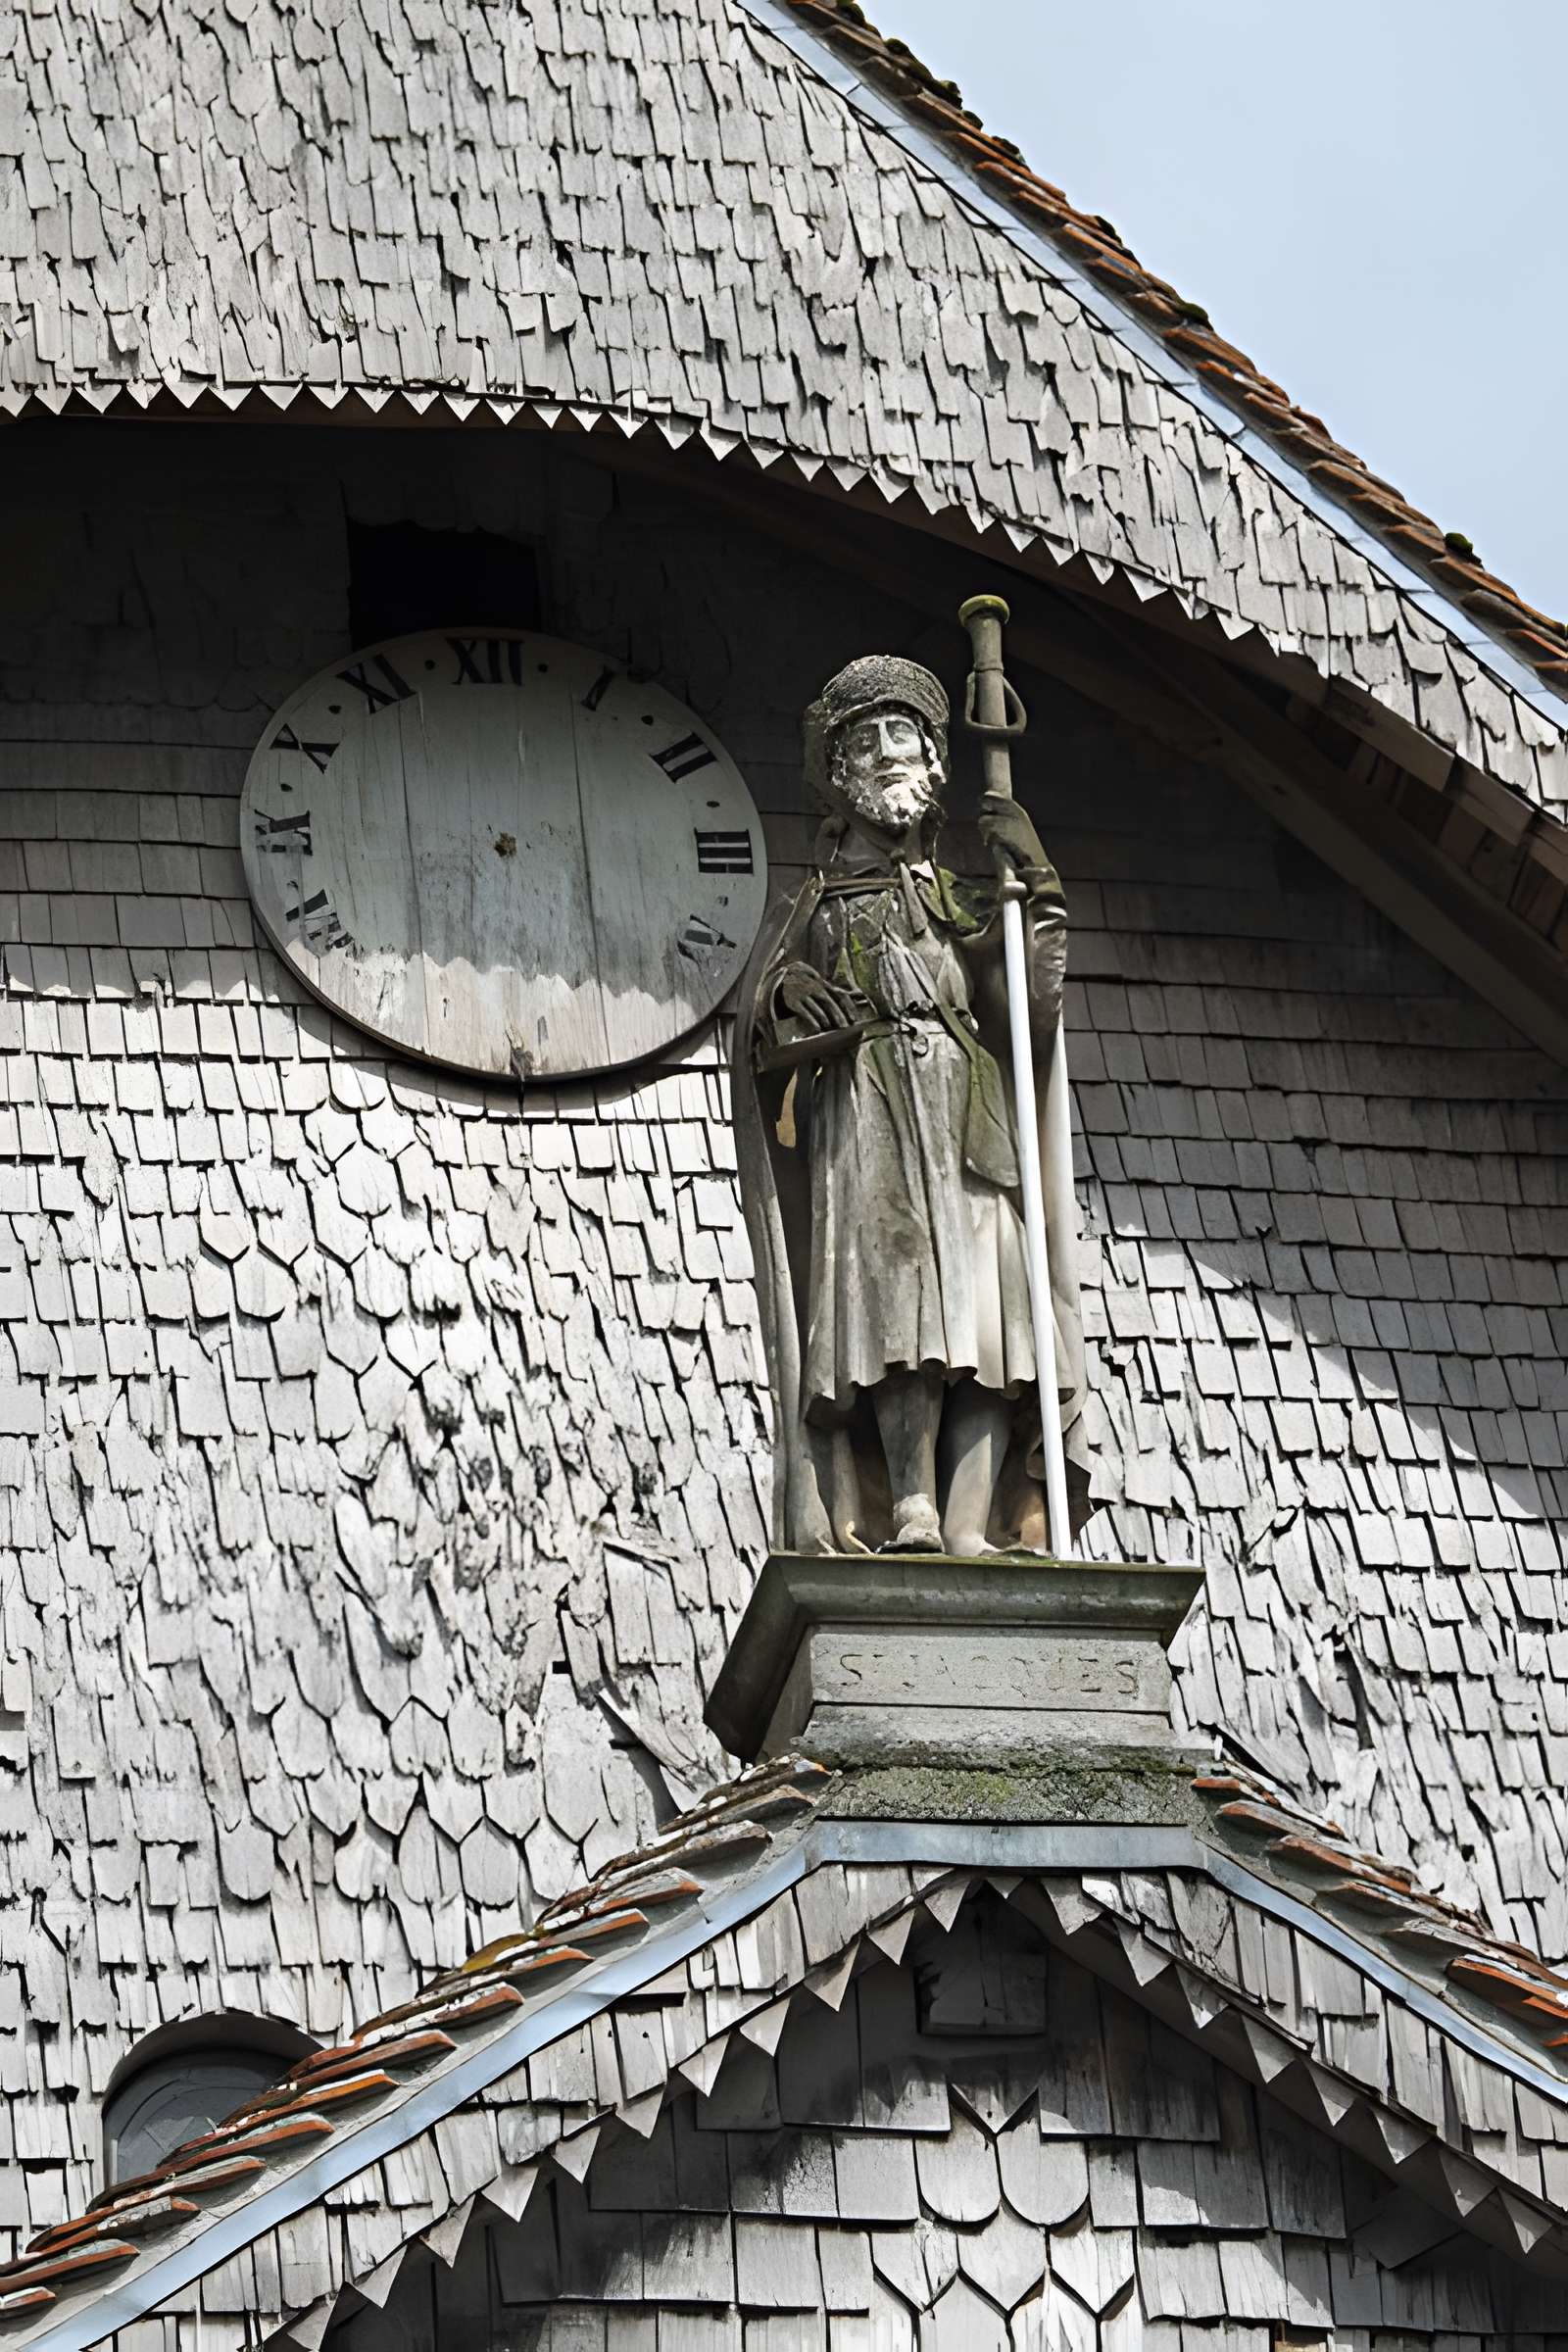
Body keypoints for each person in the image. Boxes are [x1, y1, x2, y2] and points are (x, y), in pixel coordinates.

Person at [737, 654, 1089, 1557]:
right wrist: (783, 1002)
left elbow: (1027, 1012)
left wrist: (1037, 890)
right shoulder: (814, 906)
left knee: (993, 1326)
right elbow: (761, 1033)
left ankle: (971, 1525)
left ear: (935, 763)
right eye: (867, 741)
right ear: (842, 776)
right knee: (900, 1319)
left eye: (906, 736)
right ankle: (912, 1511)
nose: (890, 754)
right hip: (869, 1115)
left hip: (970, 1112)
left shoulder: (971, 901)